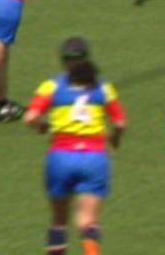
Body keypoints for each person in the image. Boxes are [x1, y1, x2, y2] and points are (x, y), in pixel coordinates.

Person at [24, 37, 126, 255]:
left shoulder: (51, 86)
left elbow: (30, 117)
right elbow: (120, 122)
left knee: (59, 221)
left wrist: (42, 127)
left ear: (63, 61)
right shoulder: (103, 87)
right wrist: (115, 138)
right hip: (94, 157)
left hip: (61, 156)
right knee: (87, 221)